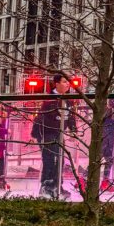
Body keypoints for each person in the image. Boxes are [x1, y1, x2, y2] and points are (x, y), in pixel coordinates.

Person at [31, 72, 77, 200]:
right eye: (64, 82)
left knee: (60, 160)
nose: (67, 84)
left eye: (68, 82)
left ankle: (57, 185)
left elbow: (71, 116)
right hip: (46, 133)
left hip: (58, 133)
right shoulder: (49, 99)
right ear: (56, 84)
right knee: (50, 159)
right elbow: (42, 117)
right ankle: (46, 186)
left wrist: (73, 130)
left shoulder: (68, 99)